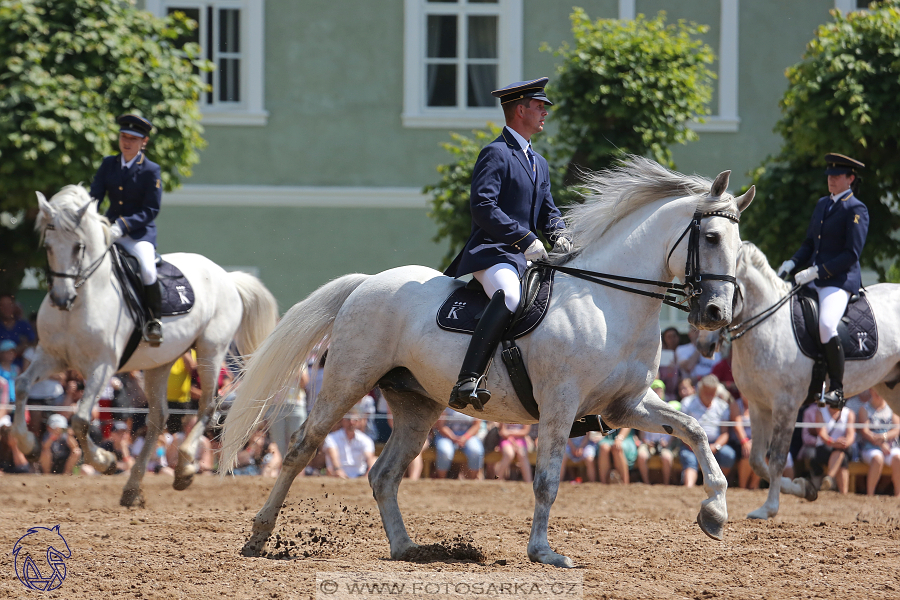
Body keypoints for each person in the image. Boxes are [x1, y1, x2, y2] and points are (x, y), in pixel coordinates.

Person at [443, 77, 568, 411]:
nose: (544, 113)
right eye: (539, 107)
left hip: (525, 257)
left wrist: (561, 235)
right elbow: (484, 207)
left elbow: (548, 210)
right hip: (493, 252)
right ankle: (469, 377)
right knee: (510, 295)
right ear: (520, 109)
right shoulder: (496, 153)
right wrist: (526, 239)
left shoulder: (537, 161)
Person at [777, 153, 869, 410]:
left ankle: (838, 389)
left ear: (850, 178)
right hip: (813, 276)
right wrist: (792, 263)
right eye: (829, 176)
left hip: (839, 280)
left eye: (837, 176)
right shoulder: (822, 204)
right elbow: (809, 243)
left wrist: (818, 272)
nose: (831, 180)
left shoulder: (856, 209)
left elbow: (851, 254)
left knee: (827, 325)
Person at [89, 114, 164, 344]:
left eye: (133, 138)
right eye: (123, 137)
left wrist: (123, 225)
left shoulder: (151, 170)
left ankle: (153, 320)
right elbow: (95, 197)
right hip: (109, 230)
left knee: (148, 270)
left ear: (144, 142)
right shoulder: (108, 164)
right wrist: (91, 220)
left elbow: (151, 209)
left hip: (138, 234)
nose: (127, 142)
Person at [678, 374, 735, 487]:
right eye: (706, 392)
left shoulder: (722, 406)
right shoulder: (687, 403)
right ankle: (689, 489)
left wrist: (716, 446)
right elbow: (681, 429)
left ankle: (716, 485)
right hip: (691, 445)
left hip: (714, 446)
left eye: (712, 393)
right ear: (700, 390)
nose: (709, 396)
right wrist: (692, 444)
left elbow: (725, 433)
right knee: (689, 458)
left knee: (728, 455)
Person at [856, 388, 900, 496]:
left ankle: (898, 494)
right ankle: (870, 494)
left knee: (897, 458)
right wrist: (880, 444)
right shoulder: (864, 409)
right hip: (869, 447)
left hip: (890, 447)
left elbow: (897, 429)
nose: (878, 393)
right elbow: (865, 431)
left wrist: (884, 437)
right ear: (871, 390)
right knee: (877, 458)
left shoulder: (892, 408)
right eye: (876, 390)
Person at [636, 380, 675, 485]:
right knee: (641, 456)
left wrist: (666, 443)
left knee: (667, 458)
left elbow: (673, 431)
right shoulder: (644, 409)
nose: (658, 393)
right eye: (655, 390)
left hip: (664, 445)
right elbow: (641, 430)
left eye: (660, 390)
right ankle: (646, 483)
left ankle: (666, 484)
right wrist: (646, 442)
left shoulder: (669, 408)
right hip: (648, 443)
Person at [811, 403, 855, 494]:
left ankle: (829, 479)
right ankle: (844, 493)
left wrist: (844, 443)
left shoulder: (848, 413)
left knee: (841, 454)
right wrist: (834, 442)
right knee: (842, 459)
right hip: (825, 448)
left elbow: (851, 435)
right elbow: (822, 435)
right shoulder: (820, 412)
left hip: (843, 447)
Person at [323, 409, 376, 479]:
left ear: (359, 421)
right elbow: (333, 456)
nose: (351, 422)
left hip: (360, 475)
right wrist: (338, 470)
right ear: (342, 420)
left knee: (375, 459)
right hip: (338, 475)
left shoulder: (365, 440)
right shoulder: (331, 438)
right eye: (348, 419)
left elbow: (369, 457)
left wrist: (369, 472)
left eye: (355, 420)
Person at [433, 408, 484, 480]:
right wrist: (453, 437)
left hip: (468, 436)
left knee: (475, 451)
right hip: (447, 436)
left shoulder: (473, 402)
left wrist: (464, 438)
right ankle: (441, 480)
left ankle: (473, 480)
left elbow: (477, 425)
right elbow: (440, 425)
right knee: (444, 451)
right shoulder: (446, 403)